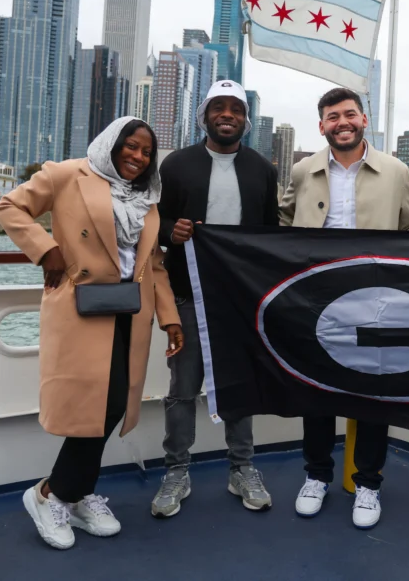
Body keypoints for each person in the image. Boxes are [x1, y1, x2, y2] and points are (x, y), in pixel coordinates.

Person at [0, 117, 184, 550]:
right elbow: (9, 206)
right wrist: (47, 251)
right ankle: (52, 495)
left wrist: (169, 318)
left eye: (146, 152)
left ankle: (69, 493)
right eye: (130, 146)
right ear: (111, 143)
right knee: (94, 407)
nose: (138, 157)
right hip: (82, 307)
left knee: (112, 404)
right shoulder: (68, 174)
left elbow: (153, 265)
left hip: (130, 311)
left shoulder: (146, 199)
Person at [279, 87, 409, 530]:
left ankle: (369, 484)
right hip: (313, 302)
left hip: (374, 304)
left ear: (363, 119)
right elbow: (282, 221)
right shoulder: (303, 170)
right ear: (321, 125)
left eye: (350, 114)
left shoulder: (396, 171)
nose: (342, 122)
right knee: (315, 391)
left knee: (371, 395)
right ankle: (316, 476)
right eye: (332, 116)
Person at [151, 80, 279, 517]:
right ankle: (176, 471)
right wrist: (172, 232)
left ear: (245, 119)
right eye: (218, 108)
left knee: (238, 386)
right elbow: (157, 219)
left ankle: (242, 468)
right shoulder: (177, 165)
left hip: (240, 297)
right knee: (182, 388)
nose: (227, 115)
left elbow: (269, 235)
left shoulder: (263, 169)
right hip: (186, 292)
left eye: (236, 109)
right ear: (204, 115)